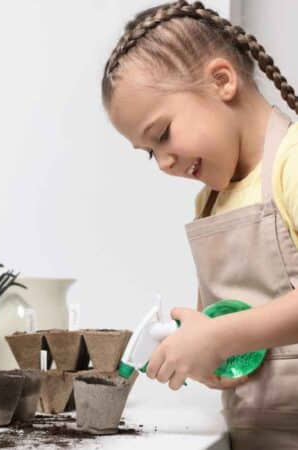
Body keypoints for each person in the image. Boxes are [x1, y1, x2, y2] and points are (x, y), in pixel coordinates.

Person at [101, 1, 298, 448]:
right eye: (149, 152)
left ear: (221, 81)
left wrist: (222, 334)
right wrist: (206, 352)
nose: (164, 161)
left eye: (163, 133)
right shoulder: (209, 204)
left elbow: (233, 328)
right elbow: (225, 324)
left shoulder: (292, 162)